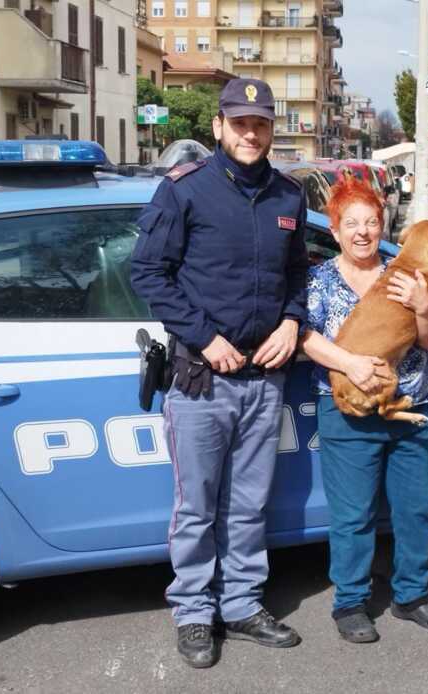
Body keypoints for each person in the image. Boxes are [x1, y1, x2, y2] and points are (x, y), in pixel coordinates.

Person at [130, 78, 309, 669]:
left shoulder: (289, 196)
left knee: (250, 504)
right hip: (201, 379)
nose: (250, 133)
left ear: (271, 129)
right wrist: (205, 338)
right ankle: (192, 612)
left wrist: (291, 320)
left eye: (260, 123)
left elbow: (299, 275)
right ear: (219, 128)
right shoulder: (184, 192)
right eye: (240, 123)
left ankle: (241, 603)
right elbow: (149, 274)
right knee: (197, 506)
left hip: (265, 377)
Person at [301, 175, 428, 644]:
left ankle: (411, 596)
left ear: (383, 226)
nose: (363, 232)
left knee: (414, 510)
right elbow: (304, 338)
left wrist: (426, 308)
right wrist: (351, 364)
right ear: (335, 230)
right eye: (352, 223)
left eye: (371, 222)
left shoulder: (407, 271)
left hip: (411, 401)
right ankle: (350, 602)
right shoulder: (319, 280)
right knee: (353, 515)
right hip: (345, 411)